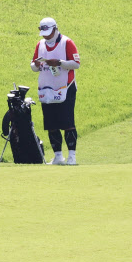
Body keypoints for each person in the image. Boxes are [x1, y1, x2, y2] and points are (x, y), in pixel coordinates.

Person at [31, 16, 81, 165]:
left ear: (55, 29)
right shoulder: (40, 44)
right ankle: (58, 156)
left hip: (66, 87)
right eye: (44, 34)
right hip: (46, 88)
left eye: (48, 33)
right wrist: (37, 66)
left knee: (68, 123)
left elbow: (76, 64)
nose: (46, 37)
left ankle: (72, 157)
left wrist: (59, 63)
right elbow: (33, 65)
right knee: (51, 124)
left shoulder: (67, 42)